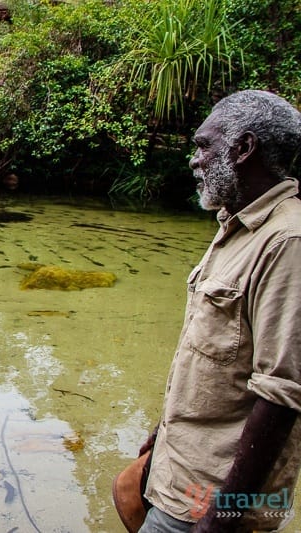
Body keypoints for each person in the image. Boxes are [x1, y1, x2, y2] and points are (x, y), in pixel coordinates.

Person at [138, 90, 301, 533]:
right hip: (179, 476)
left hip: (210, 503)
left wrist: (222, 518)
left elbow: (282, 393)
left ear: (244, 149)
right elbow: (210, 352)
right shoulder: (237, 225)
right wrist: (161, 433)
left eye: (203, 145)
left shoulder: (287, 242)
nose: (194, 160)